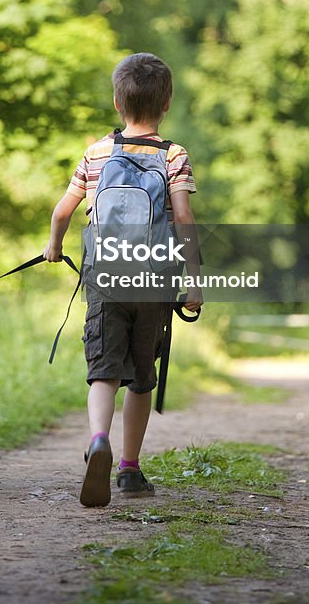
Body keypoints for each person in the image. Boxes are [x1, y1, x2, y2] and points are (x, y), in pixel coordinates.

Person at [43, 52, 202, 507]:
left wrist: (55, 246)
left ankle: (98, 440)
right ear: (167, 103)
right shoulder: (174, 155)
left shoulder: (96, 153)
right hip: (154, 279)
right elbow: (185, 217)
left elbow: (62, 211)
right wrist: (194, 281)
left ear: (117, 102)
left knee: (104, 370)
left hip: (106, 278)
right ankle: (129, 470)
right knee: (141, 376)